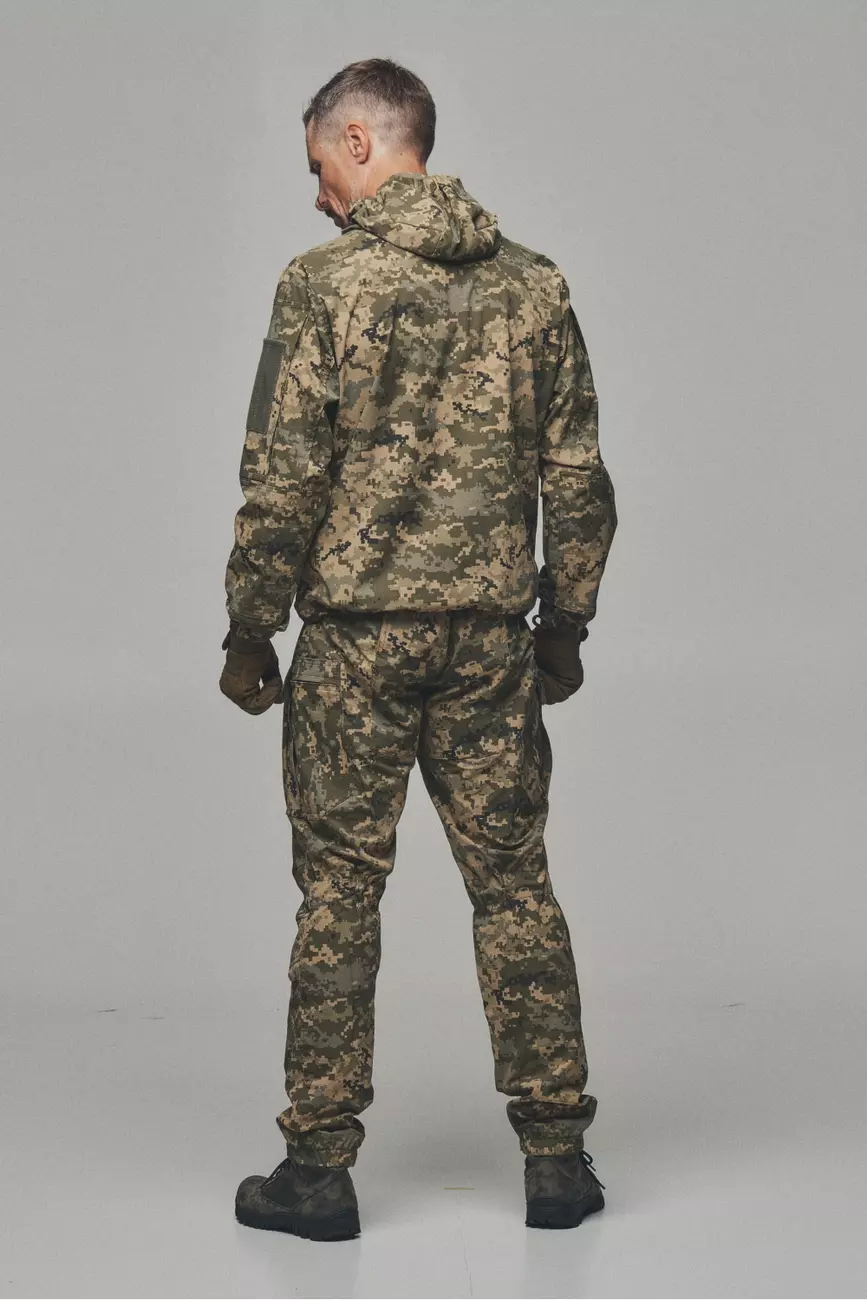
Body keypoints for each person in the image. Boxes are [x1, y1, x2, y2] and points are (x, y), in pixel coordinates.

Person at [219, 57, 617, 1241]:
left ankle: (318, 1170)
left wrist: (250, 626)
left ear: (359, 139)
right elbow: (578, 479)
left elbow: (282, 477)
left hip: (353, 652)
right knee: (514, 887)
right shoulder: (535, 287)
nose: (316, 194)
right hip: (490, 646)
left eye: (317, 166)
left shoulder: (320, 286)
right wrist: (565, 624)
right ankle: (557, 1158)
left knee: (340, 895)